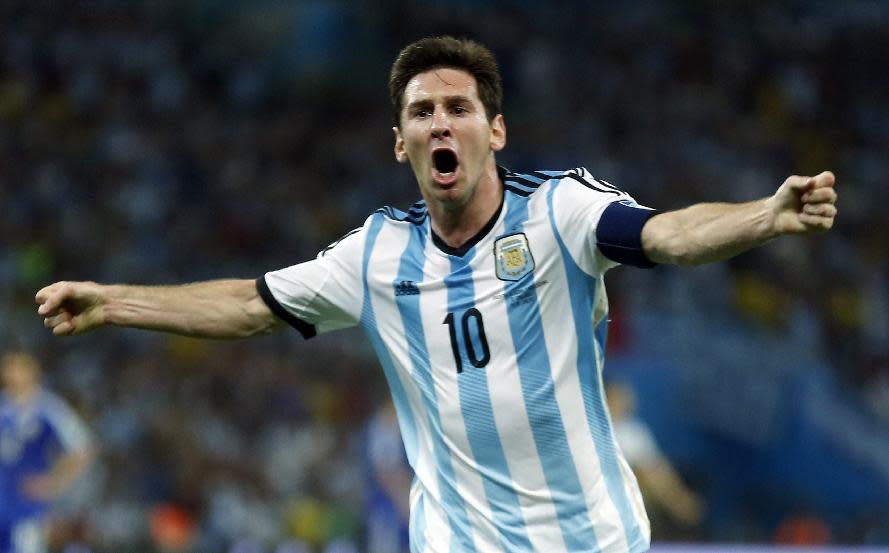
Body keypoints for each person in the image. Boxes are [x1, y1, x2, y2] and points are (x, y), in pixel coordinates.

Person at [34, 36, 838, 553]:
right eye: (422, 112)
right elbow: (251, 304)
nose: (440, 123)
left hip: (588, 537)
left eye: (459, 108)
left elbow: (664, 234)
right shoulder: (376, 252)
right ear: (400, 142)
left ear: (495, 131)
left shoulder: (561, 210)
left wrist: (762, 216)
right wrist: (115, 302)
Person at [0, 350, 95, 553]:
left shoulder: (49, 408)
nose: (11, 372)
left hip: (26, 509)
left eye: (17, 366)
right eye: (8, 366)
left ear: (32, 370)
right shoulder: (3, 406)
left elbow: (83, 447)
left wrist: (53, 482)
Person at [605, 381, 703, 537]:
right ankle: (679, 504)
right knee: (647, 474)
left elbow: (656, 465)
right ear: (607, 400)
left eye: (625, 397)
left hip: (638, 490)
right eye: (618, 397)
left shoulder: (633, 430)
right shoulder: (598, 430)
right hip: (609, 487)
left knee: (655, 470)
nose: (624, 401)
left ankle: (680, 502)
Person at [365, 399, 411, 553]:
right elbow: (384, 472)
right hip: (389, 502)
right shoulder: (384, 423)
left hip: (407, 499)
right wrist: (403, 503)